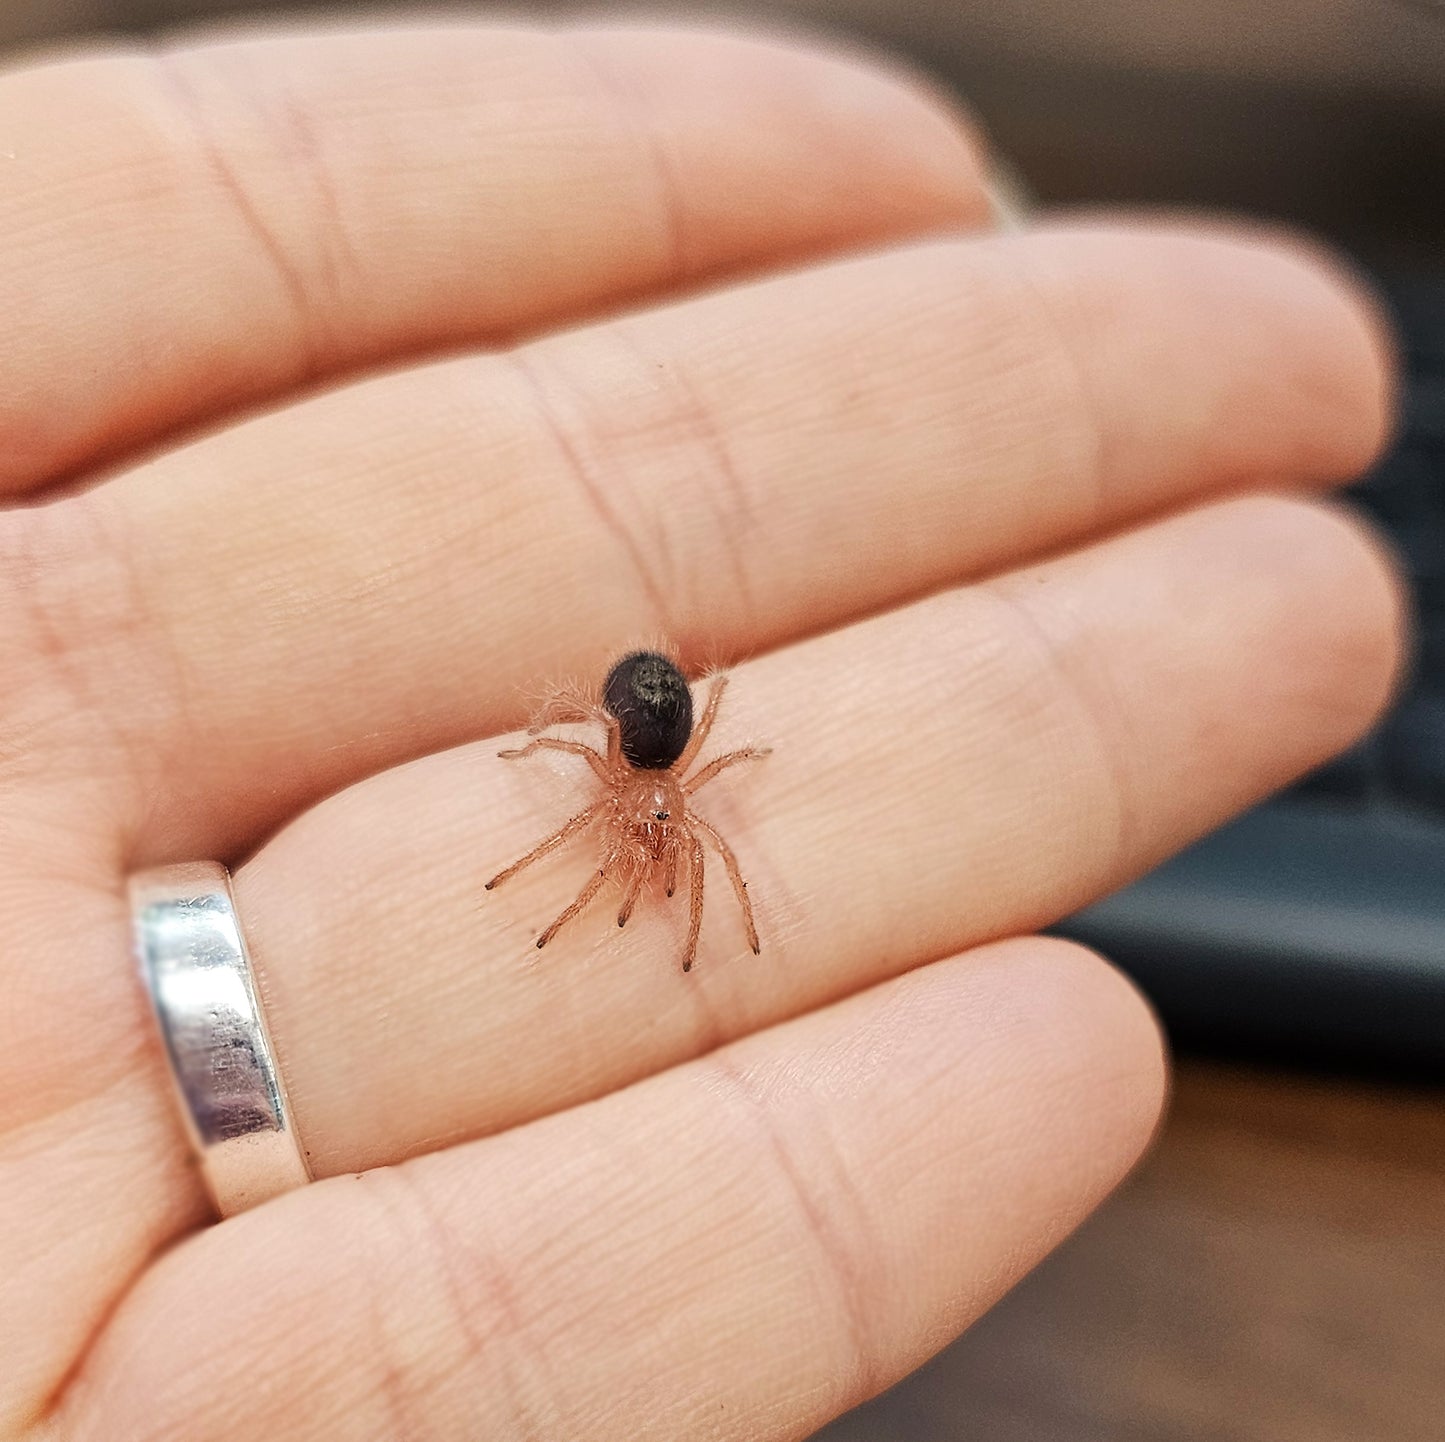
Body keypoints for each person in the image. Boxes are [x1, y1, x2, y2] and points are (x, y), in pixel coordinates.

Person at [0, 16, 1402, 1442]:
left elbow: (696, 839)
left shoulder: (688, 792)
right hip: (631, 704)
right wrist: (584, 803)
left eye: (665, 806)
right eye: (651, 797)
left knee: (685, 830)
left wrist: (686, 887)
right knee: (581, 820)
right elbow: (574, 793)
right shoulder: (612, 767)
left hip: (660, 711)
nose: (659, 840)